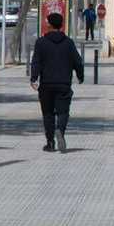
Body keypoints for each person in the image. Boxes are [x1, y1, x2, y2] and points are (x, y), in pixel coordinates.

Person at [28, 9, 85, 153]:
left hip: (46, 84)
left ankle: (50, 142)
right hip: (63, 83)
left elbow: (36, 62)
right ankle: (60, 130)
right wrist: (80, 75)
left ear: (48, 25)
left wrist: (34, 78)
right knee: (63, 111)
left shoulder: (41, 43)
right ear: (61, 26)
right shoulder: (68, 43)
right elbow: (77, 61)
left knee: (48, 113)